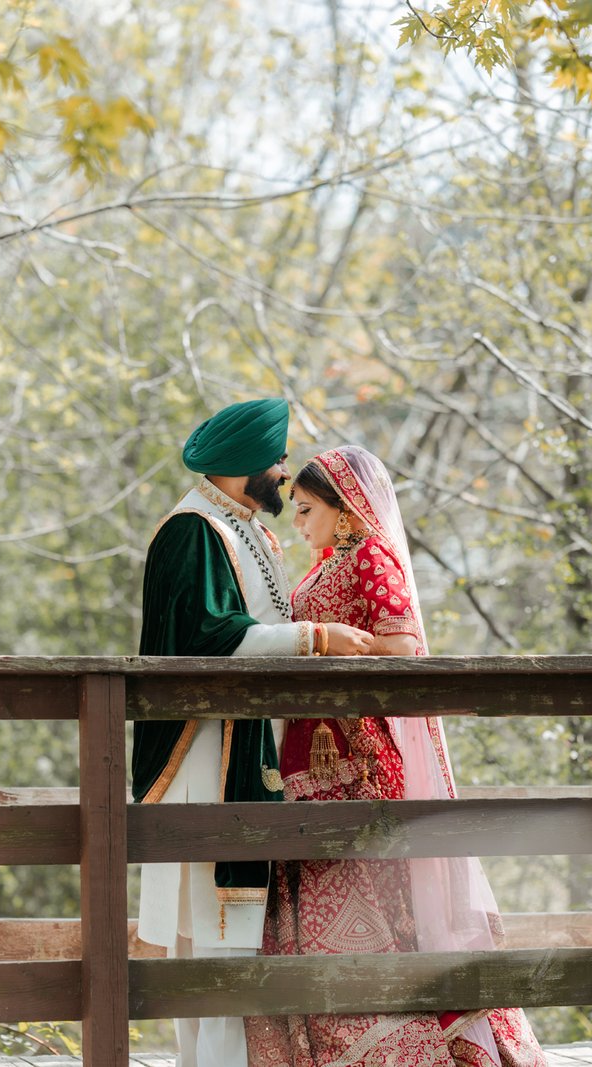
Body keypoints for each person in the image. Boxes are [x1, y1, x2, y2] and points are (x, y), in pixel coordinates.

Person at [245, 445, 548, 1067]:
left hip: (357, 753)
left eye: (306, 510)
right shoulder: (331, 562)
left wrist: (329, 654)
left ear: (346, 509)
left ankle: (407, 1048)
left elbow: (404, 647)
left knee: (375, 888)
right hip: (310, 752)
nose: (297, 523)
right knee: (314, 886)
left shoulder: (372, 558)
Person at [135, 399, 373, 1067]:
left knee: (233, 942)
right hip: (209, 755)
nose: (282, 472)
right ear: (245, 469)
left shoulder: (247, 530)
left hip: (250, 749)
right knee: (217, 942)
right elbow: (208, 637)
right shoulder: (193, 530)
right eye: (274, 462)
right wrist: (316, 638)